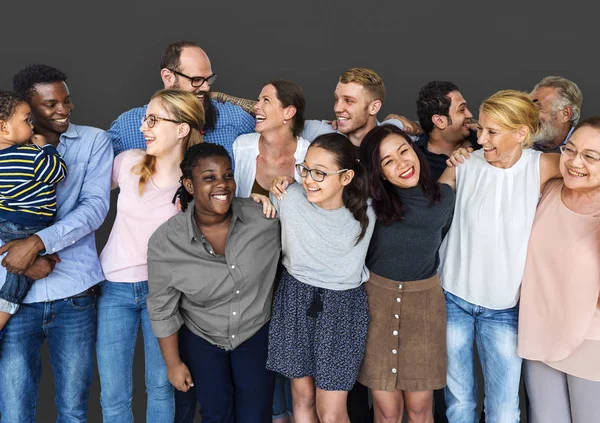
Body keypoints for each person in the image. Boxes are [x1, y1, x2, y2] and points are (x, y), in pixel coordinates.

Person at [437, 90, 561, 423]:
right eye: (481, 129)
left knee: (504, 409)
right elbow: (431, 209)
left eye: (492, 132)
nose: (481, 138)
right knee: (459, 403)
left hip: (505, 307)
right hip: (453, 299)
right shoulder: (465, 164)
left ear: (521, 133)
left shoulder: (545, 165)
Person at [0, 64, 112, 422]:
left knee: (74, 410)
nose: (64, 109)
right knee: (15, 412)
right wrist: (19, 257)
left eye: (66, 101)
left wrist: (36, 243)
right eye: (51, 104)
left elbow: (94, 208)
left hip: (74, 294)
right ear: (27, 109)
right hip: (15, 293)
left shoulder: (94, 141)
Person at [146, 143, 281, 423]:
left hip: (255, 332)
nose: (222, 184)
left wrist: (286, 189)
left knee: (256, 416)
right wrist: (173, 364)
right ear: (189, 185)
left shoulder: (265, 220)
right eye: (209, 178)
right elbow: (162, 308)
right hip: (202, 336)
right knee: (216, 415)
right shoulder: (167, 241)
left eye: (227, 175)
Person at [96, 89, 204, 422]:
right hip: (114, 289)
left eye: (154, 120)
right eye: (146, 119)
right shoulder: (128, 162)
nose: (144, 127)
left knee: (160, 388)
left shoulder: (194, 185)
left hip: (164, 295)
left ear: (182, 129)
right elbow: (83, 195)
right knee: (113, 394)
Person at [264, 133, 376, 423]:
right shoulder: (287, 197)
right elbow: (258, 212)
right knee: (302, 398)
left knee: (331, 413)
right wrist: (261, 194)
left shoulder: (367, 211)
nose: (309, 179)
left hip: (343, 307)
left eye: (320, 173)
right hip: (294, 298)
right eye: (305, 169)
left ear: (346, 176)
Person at [358, 124, 454, 423]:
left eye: (404, 151)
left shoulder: (443, 196)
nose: (402, 164)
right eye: (388, 161)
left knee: (420, 410)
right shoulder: (368, 203)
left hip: (424, 306)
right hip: (377, 304)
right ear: (378, 172)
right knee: (387, 411)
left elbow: (450, 174)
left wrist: (459, 155)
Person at [518, 116, 600, 422]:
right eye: (570, 150)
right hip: (538, 332)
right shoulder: (548, 187)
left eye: (590, 156)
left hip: (590, 340)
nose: (575, 162)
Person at [109, 40, 255, 160]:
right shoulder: (128, 125)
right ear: (168, 77)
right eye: (196, 80)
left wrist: (220, 96)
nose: (205, 87)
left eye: (208, 79)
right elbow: (94, 165)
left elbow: (274, 120)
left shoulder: (233, 117)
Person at [0, 90, 67, 338]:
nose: (32, 124)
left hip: (6, 223)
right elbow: (57, 173)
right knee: (18, 277)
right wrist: (46, 148)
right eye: (27, 119)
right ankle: (4, 311)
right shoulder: (31, 155)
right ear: (3, 127)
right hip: (29, 226)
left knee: (22, 260)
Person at [233, 80, 309, 197]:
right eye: (258, 100)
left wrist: (295, 186)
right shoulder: (240, 146)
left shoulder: (309, 155)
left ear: (289, 112)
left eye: (266, 100)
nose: (256, 106)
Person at [415, 81, 479, 181]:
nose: (469, 114)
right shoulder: (417, 162)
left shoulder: (483, 139)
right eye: (462, 109)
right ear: (439, 121)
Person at [530, 76, 583, 153]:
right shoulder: (517, 143)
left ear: (565, 114)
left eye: (538, 108)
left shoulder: (588, 146)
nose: (529, 114)